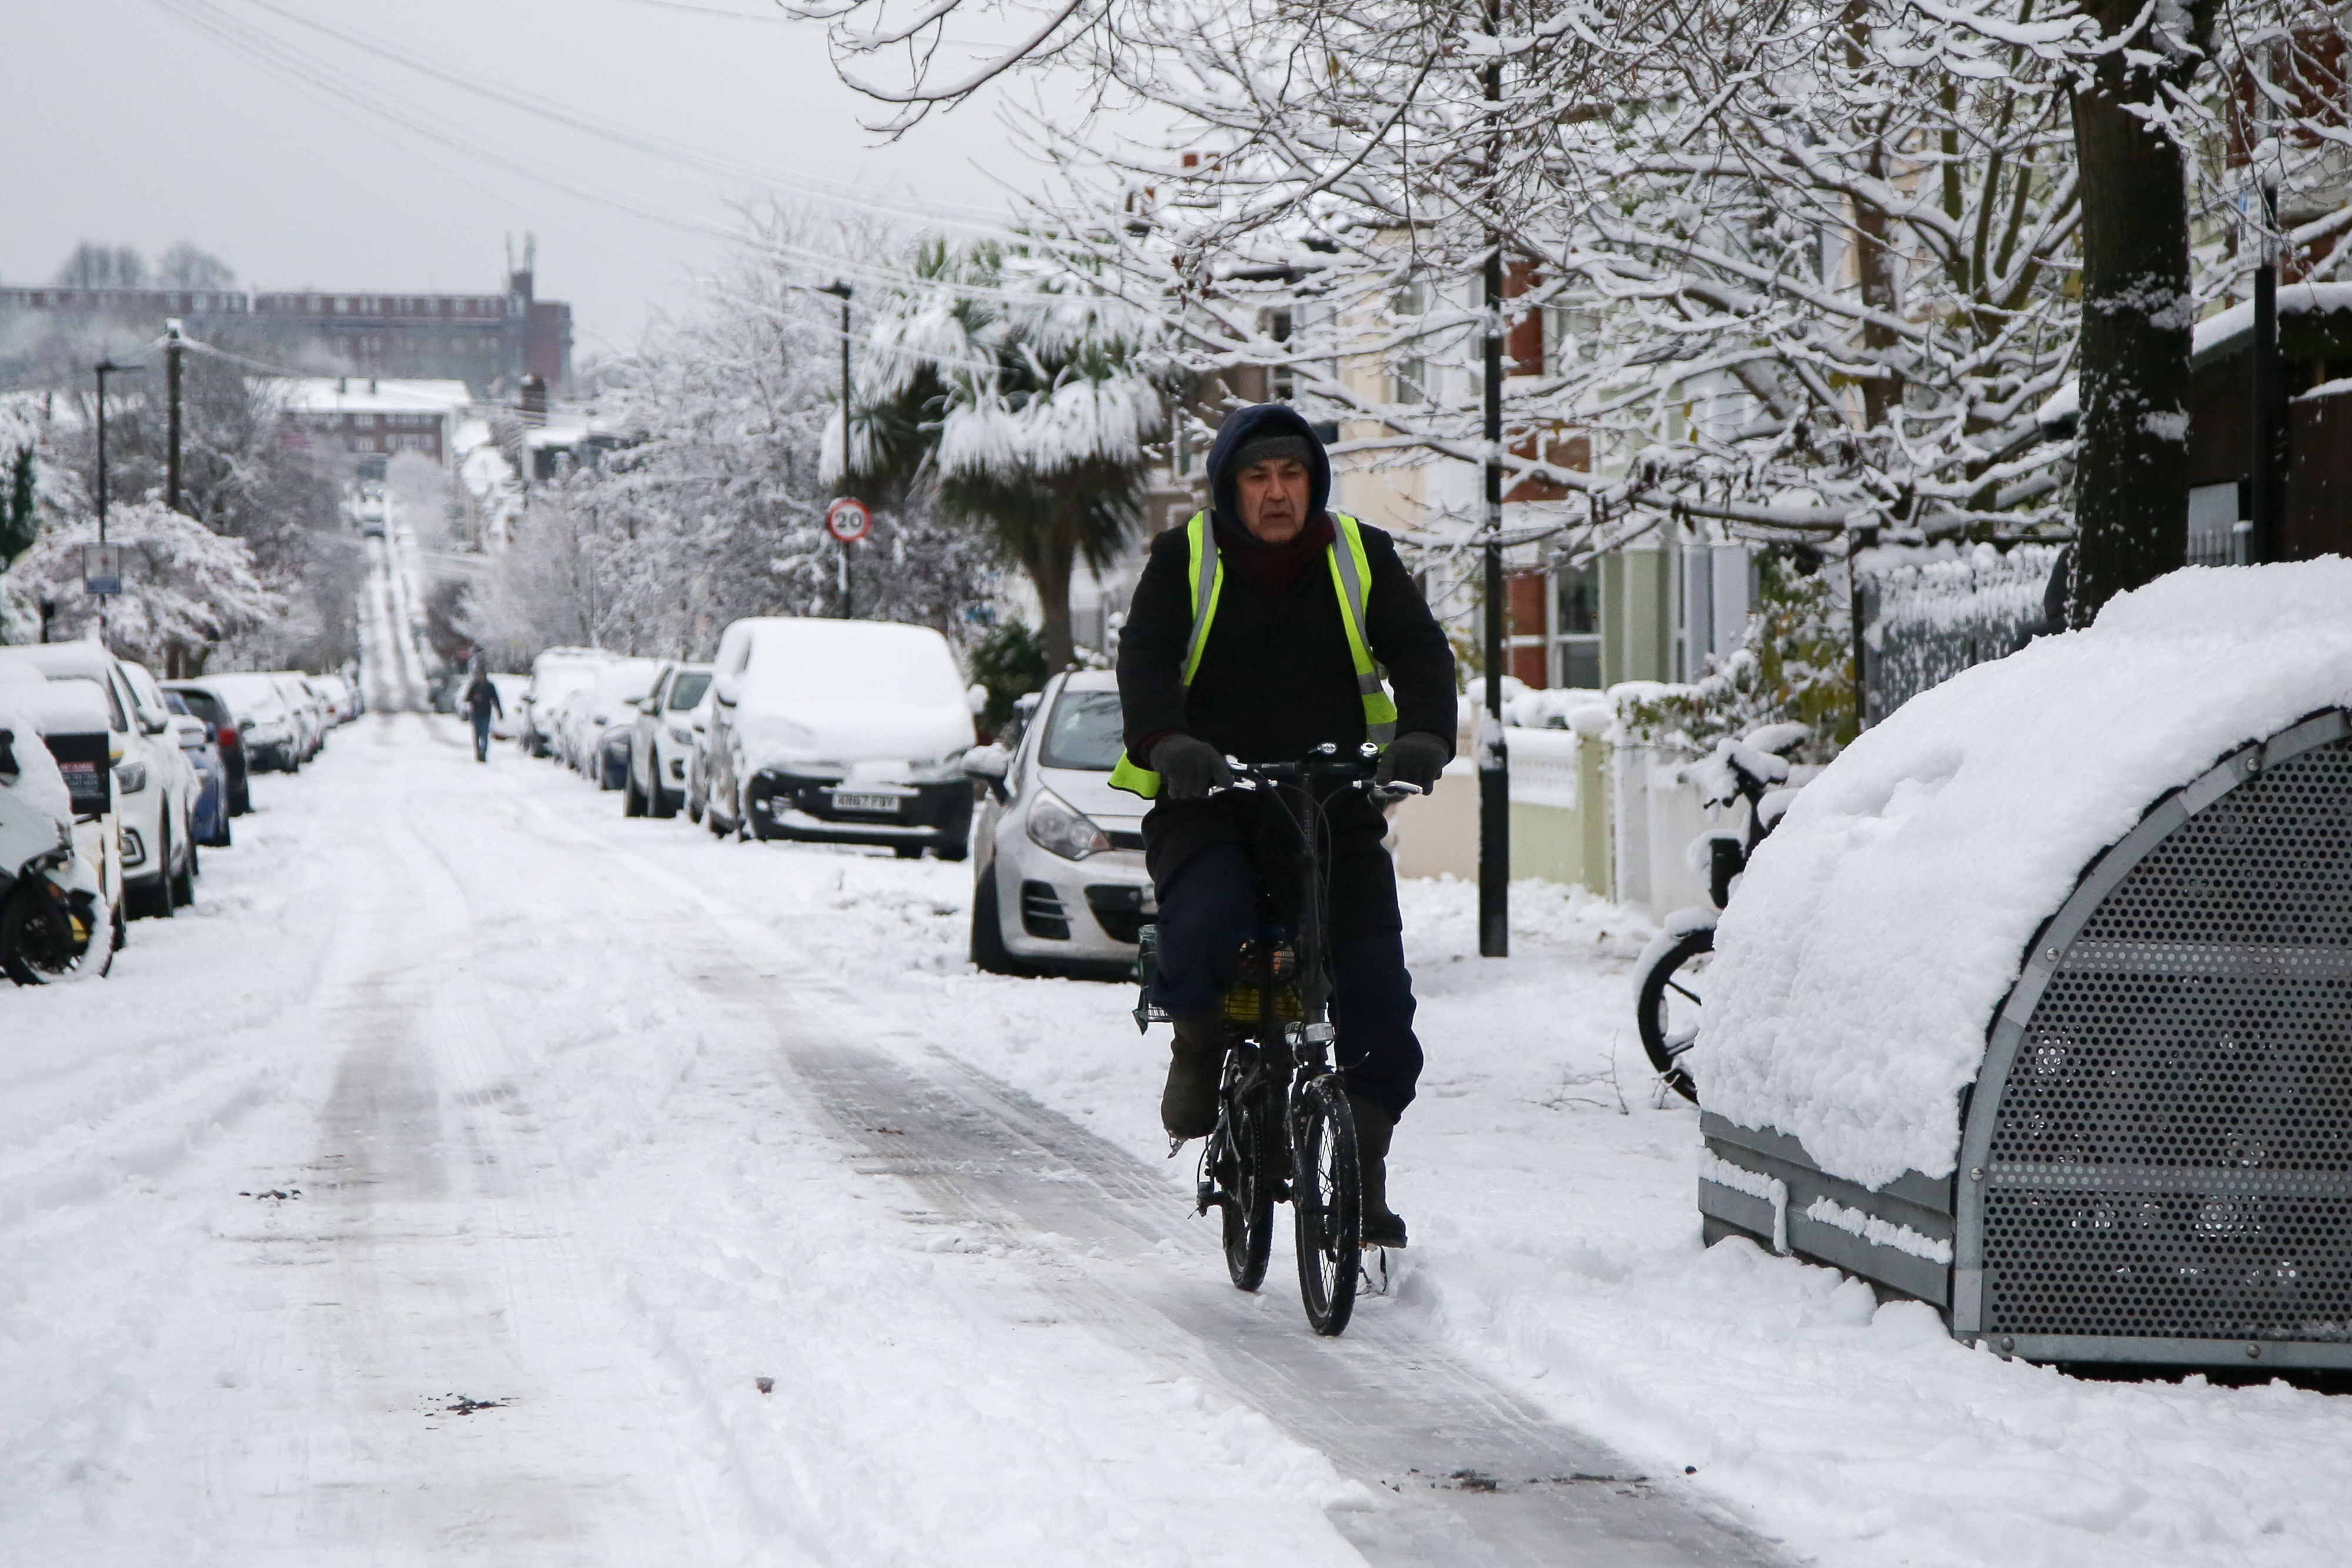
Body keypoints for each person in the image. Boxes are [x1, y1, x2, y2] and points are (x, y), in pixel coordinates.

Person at [1111, 403, 1455, 1248]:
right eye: (1258, 477)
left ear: (1314, 482)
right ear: (1232, 487)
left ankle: (1363, 1175)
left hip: (1328, 802)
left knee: (1375, 984)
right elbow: (1147, 657)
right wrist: (1171, 741)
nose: (1276, 493)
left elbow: (1419, 649)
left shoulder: (1360, 555)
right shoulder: (1182, 558)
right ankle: (1199, 1045)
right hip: (1211, 802)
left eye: (1292, 474)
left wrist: (1423, 733)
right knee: (1205, 928)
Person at [463, 663, 502, 763]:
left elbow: (495, 699)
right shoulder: (474, 686)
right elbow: (467, 698)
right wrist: (474, 698)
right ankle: (477, 752)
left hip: (486, 713)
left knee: (484, 734)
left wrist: (499, 712)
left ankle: (483, 753)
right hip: (476, 713)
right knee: (477, 734)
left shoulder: (490, 686)